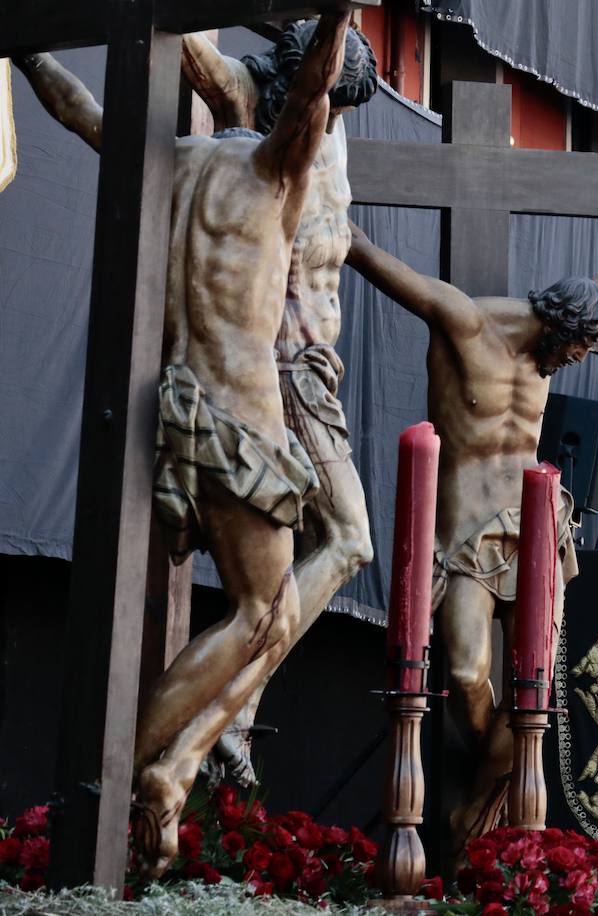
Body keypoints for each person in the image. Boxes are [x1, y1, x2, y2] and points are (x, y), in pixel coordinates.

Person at [16, 14, 355, 875]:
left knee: (257, 609)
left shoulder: (174, 159)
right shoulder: (277, 172)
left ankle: (142, 773)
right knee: (264, 613)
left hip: (169, 411)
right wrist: (343, 14)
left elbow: (74, 107)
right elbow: (314, 88)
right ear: (303, 116)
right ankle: (123, 769)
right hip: (242, 422)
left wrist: (22, 48)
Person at [345, 159, 598, 851]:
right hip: (465, 535)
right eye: (575, 351)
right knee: (465, 672)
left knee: (539, 693)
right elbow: (368, 255)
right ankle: (485, 799)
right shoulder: (463, 323)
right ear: (557, 327)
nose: (573, 364)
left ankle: (475, 817)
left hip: (533, 536)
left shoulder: (571, 323)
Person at [179, 21, 380, 788]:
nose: (337, 105)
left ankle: (228, 711)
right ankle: (226, 711)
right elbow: (187, 45)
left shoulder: (337, 128)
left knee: (312, 552)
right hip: (277, 358)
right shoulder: (254, 99)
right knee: (349, 540)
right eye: (331, 87)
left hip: (314, 365)